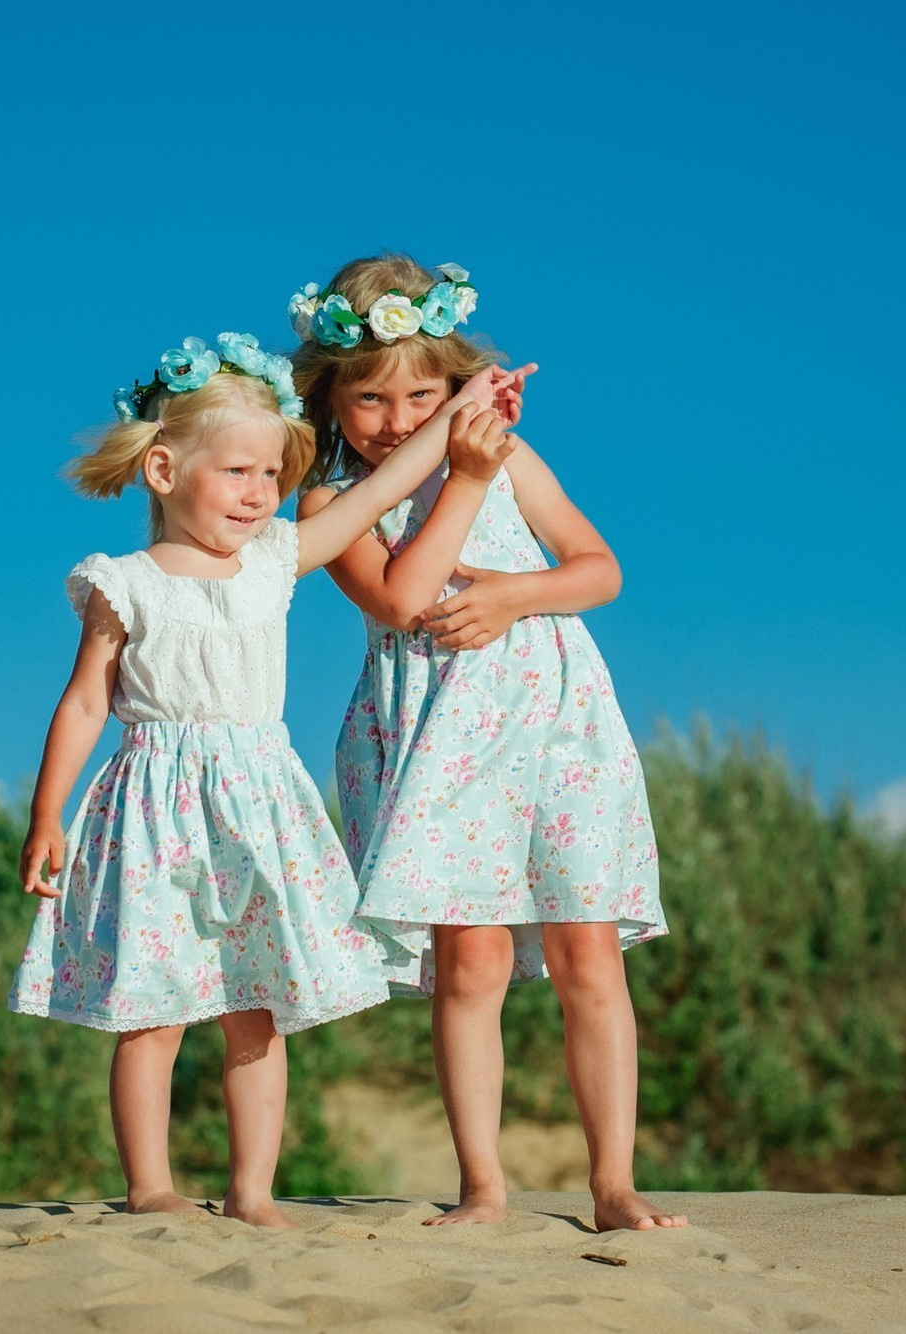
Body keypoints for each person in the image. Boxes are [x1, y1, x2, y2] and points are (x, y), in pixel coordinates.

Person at [9, 330, 520, 1227]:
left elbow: (381, 490)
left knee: (257, 1007)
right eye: (238, 473)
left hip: (257, 807)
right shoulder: (122, 584)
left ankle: (253, 1191)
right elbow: (86, 704)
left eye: (273, 477)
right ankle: (151, 1186)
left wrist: (464, 409)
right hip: (155, 808)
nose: (261, 494)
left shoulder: (275, 562)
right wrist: (48, 814)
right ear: (164, 471)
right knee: (152, 1012)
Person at [291, 258, 684, 1231]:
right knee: (470, 964)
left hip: (558, 727)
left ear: (460, 384)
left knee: (588, 952)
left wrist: (515, 590)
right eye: (369, 397)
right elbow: (401, 597)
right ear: (328, 397)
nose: (395, 416)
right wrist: (456, 473)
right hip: (437, 739)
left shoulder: (508, 457)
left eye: (421, 393)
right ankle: (483, 1185)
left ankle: (613, 1183)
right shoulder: (328, 504)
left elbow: (599, 569)